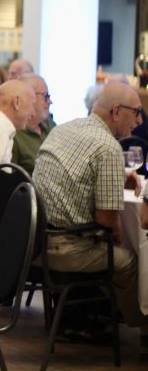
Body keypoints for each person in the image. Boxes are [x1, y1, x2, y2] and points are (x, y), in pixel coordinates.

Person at [32, 83, 148, 345]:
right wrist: (119, 239)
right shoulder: (107, 148)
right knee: (128, 261)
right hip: (64, 249)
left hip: (33, 242)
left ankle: (97, 314)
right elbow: (107, 223)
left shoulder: (63, 129)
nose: (140, 121)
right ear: (117, 111)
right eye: (137, 112)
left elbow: (76, 175)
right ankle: (142, 328)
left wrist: (118, 175)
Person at [11, 73, 55, 174]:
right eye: (46, 96)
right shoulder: (13, 133)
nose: (50, 101)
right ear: (28, 96)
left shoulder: (49, 124)